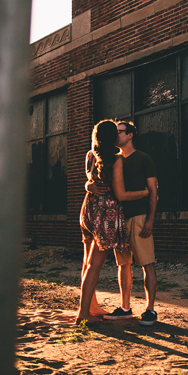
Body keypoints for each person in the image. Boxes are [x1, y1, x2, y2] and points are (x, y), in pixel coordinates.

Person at [76, 120, 148, 324]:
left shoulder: (91, 155)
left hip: (87, 210)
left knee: (87, 262)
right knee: (94, 265)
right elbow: (121, 194)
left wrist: (88, 186)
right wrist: (145, 192)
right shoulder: (115, 160)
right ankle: (83, 314)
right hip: (104, 214)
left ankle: (89, 307)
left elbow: (89, 180)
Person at [98, 121, 159, 326]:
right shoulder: (114, 160)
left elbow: (153, 191)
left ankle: (150, 310)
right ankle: (125, 308)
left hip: (139, 217)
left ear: (130, 135)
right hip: (118, 220)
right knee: (123, 265)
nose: (116, 135)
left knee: (146, 263)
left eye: (120, 132)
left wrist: (150, 219)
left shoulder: (143, 158)